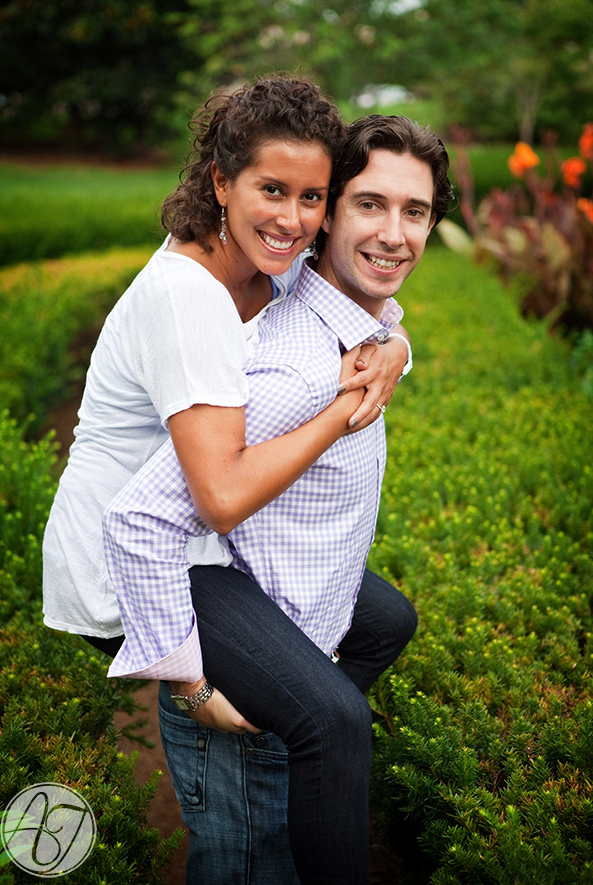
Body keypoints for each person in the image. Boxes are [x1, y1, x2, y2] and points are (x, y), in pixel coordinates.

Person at [103, 114, 454, 884]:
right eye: (370, 206)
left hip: (280, 602)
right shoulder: (297, 371)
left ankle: (292, 732)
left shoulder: (349, 319)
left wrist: (397, 348)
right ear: (329, 216)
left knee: (388, 619)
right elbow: (136, 520)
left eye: (416, 211)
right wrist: (193, 689)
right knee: (292, 795)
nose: (396, 233)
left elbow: (381, 322)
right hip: (219, 633)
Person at [41, 76, 410, 671]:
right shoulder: (188, 295)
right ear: (220, 181)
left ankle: (272, 739)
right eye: (272, 190)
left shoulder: (274, 262)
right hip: (135, 558)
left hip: (207, 539)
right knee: (326, 718)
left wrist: (393, 344)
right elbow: (222, 497)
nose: (292, 220)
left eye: (312, 197)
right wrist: (344, 413)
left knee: (385, 622)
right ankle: (232, 725)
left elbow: (361, 310)